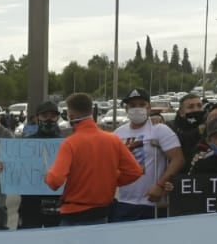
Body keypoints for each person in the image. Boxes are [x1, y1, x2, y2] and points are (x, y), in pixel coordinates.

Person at [44, 92, 143, 226]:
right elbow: (135, 171)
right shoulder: (113, 140)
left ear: (70, 116)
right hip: (102, 213)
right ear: (91, 111)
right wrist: (111, 179)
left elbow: (55, 181)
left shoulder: (70, 143)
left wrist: (47, 176)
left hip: (74, 215)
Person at [112, 88, 184, 221]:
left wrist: (160, 185)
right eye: (132, 105)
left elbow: (177, 159)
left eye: (141, 104)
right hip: (123, 202)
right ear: (126, 109)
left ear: (149, 107)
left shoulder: (160, 130)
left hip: (152, 202)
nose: (137, 108)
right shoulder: (118, 133)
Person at [17, 98, 68, 229]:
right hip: (30, 203)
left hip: (57, 202)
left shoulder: (67, 144)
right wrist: (4, 167)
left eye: (53, 116)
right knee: (29, 242)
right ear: (38, 117)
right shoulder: (26, 143)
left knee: (56, 243)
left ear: (58, 118)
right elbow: (17, 169)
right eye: (45, 116)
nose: (49, 119)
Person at [168, 94, 204, 165]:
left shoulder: (209, 124)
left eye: (199, 106)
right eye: (191, 107)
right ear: (181, 112)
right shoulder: (171, 128)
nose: (196, 110)